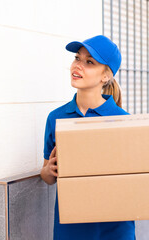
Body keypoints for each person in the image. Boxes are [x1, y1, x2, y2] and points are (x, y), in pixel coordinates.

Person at [40, 35, 136, 240]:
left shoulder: (124, 121)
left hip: (115, 229)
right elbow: (47, 177)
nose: (78, 65)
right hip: (71, 228)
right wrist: (49, 170)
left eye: (89, 62)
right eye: (77, 58)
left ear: (105, 76)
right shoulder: (56, 117)